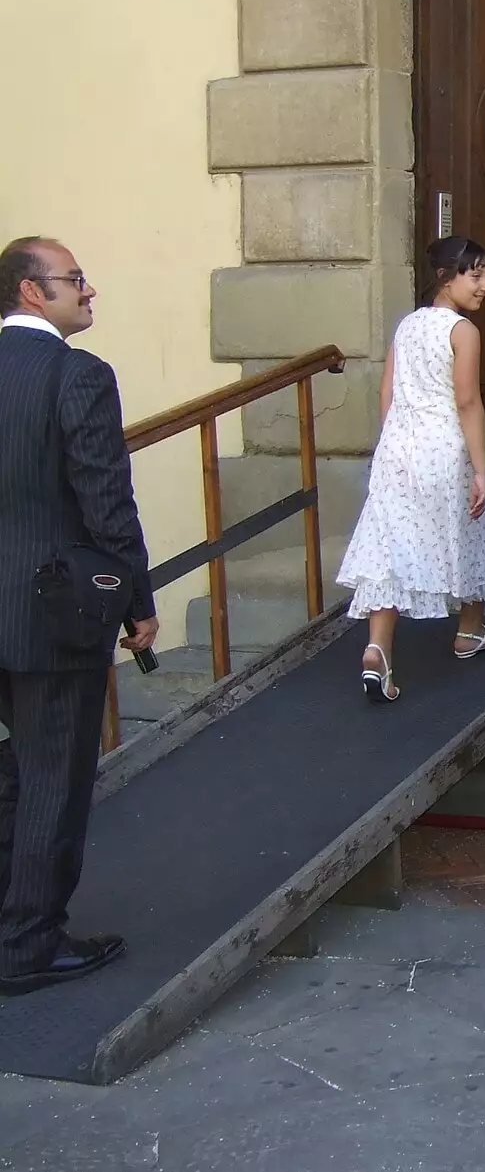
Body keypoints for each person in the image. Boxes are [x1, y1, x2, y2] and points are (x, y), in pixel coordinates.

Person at [0, 237, 157, 994]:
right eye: (75, 280)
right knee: (52, 779)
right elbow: (104, 497)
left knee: (9, 776)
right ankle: (27, 943)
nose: (88, 290)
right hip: (51, 615)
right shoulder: (77, 375)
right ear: (32, 291)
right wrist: (137, 600)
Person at [336, 237, 485, 701]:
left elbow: (386, 393)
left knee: (390, 545)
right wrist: (481, 468)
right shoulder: (462, 331)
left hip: (399, 446)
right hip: (444, 444)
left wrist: (392, 442)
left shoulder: (408, 326)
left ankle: (378, 648)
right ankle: (470, 629)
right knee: (472, 525)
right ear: (446, 277)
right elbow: (468, 400)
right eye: (475, 275)